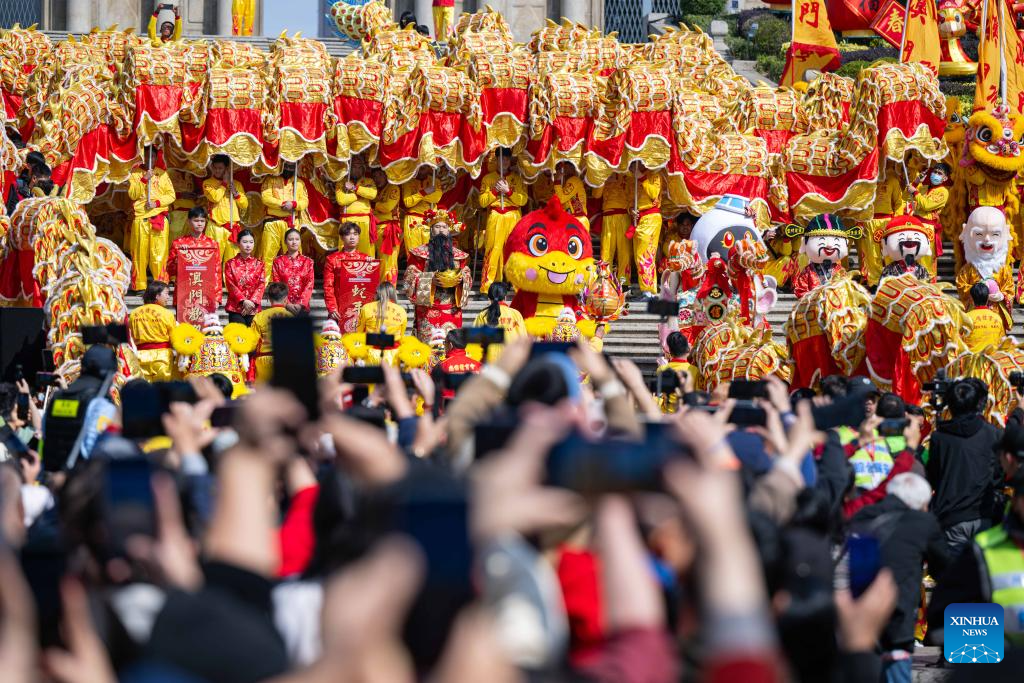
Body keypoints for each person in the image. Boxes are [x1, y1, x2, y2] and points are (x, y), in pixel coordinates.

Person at [849, 473, 950, 683]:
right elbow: (944, 566)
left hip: (858, 612)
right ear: (921, 503)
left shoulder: (862, 516)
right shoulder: (923, 522)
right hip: (897, 613)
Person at [926, 378, 1003, 555]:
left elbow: (934, 476)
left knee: (955, 576)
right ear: (979, 404)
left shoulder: (939, 438)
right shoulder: (993, 434)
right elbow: (998, 474)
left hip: (951, 516)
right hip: (984, 514)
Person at [403, 209, 472, 342]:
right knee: (429, 346)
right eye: (437, 226)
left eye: (444, 227)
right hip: (427, 309)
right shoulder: (419, 254)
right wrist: (430, 279)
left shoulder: (459, 256)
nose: (441, 230)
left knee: (451, 344)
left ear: (449, 231)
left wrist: (461, 278)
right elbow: (409, 277)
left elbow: (467, 274)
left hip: (451, 308)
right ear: (431, 230)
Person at [127, 146, 176, 292]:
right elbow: (132, 194)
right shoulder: (135, 174)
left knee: (159, 254)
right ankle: (139, 286)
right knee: (139, 254)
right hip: (141, 218)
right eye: (147, 156)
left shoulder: (162, 174)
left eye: (153, 157)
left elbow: (171, 195)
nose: (150, 160)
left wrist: (157, 203)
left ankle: (160, 285)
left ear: (156, 158)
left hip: (159, 218)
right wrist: (144, 179)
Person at [478, 148, 527, 293]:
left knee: (515, 250)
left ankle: (516, 284)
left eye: (507, 158)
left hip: (513, 216)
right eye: (501, 158)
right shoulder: (488, 179)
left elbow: (523, 200)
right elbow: (482, 201)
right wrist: (494, 191)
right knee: (493, 250)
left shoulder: (517, 179)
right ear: (496, 160)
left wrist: (508, 191)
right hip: (496, 216)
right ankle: (488, 286)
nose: (504, 161)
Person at [166, 206, 222, 313]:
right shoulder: (179, 244)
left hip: (205, 293)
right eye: (196, 221)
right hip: (184, 293)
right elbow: (170, 270)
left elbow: (217, 272)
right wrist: (179, 256)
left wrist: (217, 297)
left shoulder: (212, 244)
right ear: (188, 222)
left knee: (204, 329)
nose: (199, 224)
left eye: (202, 221)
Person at [260, 163, 309, 278]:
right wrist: (282, 204)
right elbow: (265, 198)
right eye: (286, 166)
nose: (288, 168)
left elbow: (305, 202)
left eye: (291, 166)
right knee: (267, 253)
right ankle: (265, 284)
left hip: (292, 222)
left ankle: (294, 282)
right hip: (273, 222)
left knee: (294, 254)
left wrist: (293, 204)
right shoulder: (271, 179)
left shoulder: (299, 183)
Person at [626, 162, 663, 298]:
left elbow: (654, 194)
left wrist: (641, 177)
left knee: (645, 255)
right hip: (639, 219)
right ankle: (648, 289)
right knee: (638, 255)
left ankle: (648, 291)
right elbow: (630, 200)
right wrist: (631, 211)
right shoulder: (631, 179)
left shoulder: (654, 175)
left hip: (651, 218)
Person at [202, 154, 247, 266]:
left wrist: (236, 194)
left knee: (231, 262)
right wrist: (224, 184)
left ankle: (229, 284)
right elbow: (215, 197)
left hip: (232, 227)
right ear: (212, 167)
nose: (217, 171)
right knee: (213, 260)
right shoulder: (207, 183)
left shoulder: (236, 184)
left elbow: (244, 205)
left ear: (226, 169)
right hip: (215, 226)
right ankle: (213, 284)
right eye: (215, 168)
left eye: (220, 168)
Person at [128, 280, 177, 382]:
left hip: (140, 356)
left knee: (144, 391)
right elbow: (174, 338)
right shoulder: (167, 314)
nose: (168, 297)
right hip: (162, 357)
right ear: (157, 295)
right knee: (163, 390)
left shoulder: (134, 313)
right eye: (166, 294)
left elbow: (131, 336)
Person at [323, 222, 371, 325]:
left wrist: (372, 267)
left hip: (361, 307)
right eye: (348, 234)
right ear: (342, 237)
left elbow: (371, 287)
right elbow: (328, 286)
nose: (352, 237)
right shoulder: (332, 259)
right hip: (339, 308)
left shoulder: (366, 259)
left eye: (355, 234)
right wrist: (332, 307)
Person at [909, 162, 950, 278]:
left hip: (927, 229)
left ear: (945, 178)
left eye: (939, 173)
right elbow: (906, 197)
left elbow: (926, 205)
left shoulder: (943, 192)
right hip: (916, 225)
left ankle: (928, 286)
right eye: (934, 172)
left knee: (926, 261)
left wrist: (915, 192)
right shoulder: (924, 188)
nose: (935, 174)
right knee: (915, 258)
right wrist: (916, 183)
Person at [334, 155, 378, 257]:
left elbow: (372, 194)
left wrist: (354, 188)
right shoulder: (342, 182)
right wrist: (358, 195)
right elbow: (341, 200)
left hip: (364, 221)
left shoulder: (369, 181)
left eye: (359, 167)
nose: (356, 170)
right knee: (345, 253)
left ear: (363, 168)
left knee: (366, 253)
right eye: (353, 167)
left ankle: (367, 273)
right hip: (347, 220)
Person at [249, 282, 293, 382]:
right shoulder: (291, 317)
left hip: (264, 361)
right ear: (286, 299)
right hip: (285, 361)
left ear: (268, 299)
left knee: (265, 393)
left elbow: (252, 344)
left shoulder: (259, 316)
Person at [224, 229, 266, 326]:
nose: (248, 245)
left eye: (251, 242)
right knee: (238, 337)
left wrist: (251, 302)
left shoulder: (259, 264)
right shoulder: (230, 264)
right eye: (245, 242)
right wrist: (243, 301)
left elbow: (261, 285)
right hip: (235, 308)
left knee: (253, 338)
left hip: (253, 307)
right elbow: (230, 285)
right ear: (238, 244)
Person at [271, 229, 314, 314]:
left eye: (297, 239)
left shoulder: (308, 262)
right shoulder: (278, 261)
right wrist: (287, 304)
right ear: (285, 242)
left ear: (300, 241)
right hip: (282, 307)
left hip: (302, 308)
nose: (294, 242)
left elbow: (309, 284)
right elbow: (277, 284)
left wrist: (300, 304)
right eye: (290, 239)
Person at [402, 166, 443, 253]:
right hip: (412, 219)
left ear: (429, 168)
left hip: (430, 220)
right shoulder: (408, 181)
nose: (420, 170)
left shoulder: (435, 181)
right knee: (413, 252)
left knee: (431, 252)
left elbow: (436, 198)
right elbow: (407, 202)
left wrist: (417, 196)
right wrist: (424, 192)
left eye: (423, 168)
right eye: (418, 166)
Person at [371, 166, 402, 284]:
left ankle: (388, 290)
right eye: (374, 176)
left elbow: (387, 207)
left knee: (388, 260)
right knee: (379, 260)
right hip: (376, 229)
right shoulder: (376, 191)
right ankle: (380, 287)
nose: (377, 179)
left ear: (386, 175)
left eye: (380, 175)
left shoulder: (393, 188)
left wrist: (373, 206)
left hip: (388, 229)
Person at [965, 281, 1007, 352]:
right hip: (992, 360)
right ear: (988, 298)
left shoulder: (966, 318)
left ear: (971, 299)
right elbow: (1001, 342)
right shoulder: (997, 318)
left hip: (972, 360)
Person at [552, 161, 589, 233]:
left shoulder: (574, 180)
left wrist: (557, 181)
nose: (564, 167)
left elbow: (561, 199)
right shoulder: (568, 182)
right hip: (573, 219)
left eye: (567, 164)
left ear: (573, 167)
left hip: (578, 219)